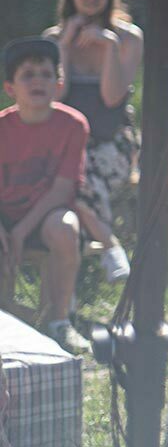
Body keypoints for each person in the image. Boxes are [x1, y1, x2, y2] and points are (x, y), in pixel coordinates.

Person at [45, 0, 141, 282]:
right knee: (75, 172)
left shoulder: (129, 38)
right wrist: (65, 46)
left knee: (77, 177)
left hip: (113, 141)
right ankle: (109, 246)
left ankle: (81, 276)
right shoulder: (53, 39)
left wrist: (109, 47)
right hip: (67, 144)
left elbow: (112, 97)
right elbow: (54, 97)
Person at [0, 37, 91, 353]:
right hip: (4, 214)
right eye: (27, 75)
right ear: (10, 87)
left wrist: (22, 231)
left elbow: (62, 189)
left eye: (46, 74)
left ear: (59, 84)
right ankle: (7, 319)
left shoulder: (73, 124)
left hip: (45, 214)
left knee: (66, 228)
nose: (38, 81)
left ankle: (59, 322)